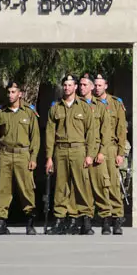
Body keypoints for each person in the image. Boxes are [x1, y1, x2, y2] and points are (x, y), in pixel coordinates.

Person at [45, 74, 96, 235]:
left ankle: (86, 219)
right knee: (61, 186)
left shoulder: (84, 107)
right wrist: (49, 157)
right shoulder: (55, 108)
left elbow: (91, 133)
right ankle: (60, 219)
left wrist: (90, 155)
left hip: (79, 149)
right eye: (65, 85)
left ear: (75, 87)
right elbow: (50, 134)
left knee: (82, 186)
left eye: (70, 85)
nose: (67, 88)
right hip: (60, 150)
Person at [0, 81, 40, 235]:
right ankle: (1, 221)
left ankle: (30, 220)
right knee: (3, 188)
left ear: (20, 94)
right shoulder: (1, 112)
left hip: (23, 154)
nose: (11, 95)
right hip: (5, 154)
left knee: (26, 188)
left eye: (14, 92)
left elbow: (35, 138)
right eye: (9, 92)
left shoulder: (29, 112)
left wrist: (33, 157)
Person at [94, 73, 128, 235]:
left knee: (114, 184)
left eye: (100, 85)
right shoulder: (90, 103)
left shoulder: (115, 103)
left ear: (106, 86)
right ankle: (105, 219)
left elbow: (121, 130)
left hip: (112, 148)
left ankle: (117, 218)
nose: (97, 88)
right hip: (96, 148)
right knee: (101, 185)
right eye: (96, 85)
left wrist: (121, 152)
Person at [78, 72, 111, 235]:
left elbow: (106, 131)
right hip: (81, 152)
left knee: (100, 187)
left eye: (85, 85)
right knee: (84, 188)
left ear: (92, 87)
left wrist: (102, 152)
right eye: (80, 84)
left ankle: (105, 221)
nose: (81, 87)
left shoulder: (101, 106)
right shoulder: (76, 105)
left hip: (97, 152)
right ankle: (86, 222)